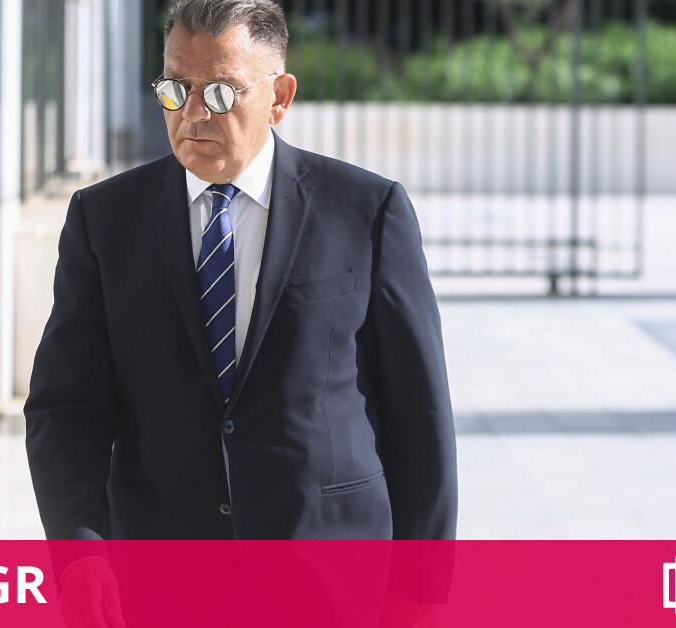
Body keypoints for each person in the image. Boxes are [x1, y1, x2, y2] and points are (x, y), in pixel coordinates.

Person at [26, 0, 456, 621]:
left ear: (279, 98)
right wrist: (80, 556)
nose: (193, 114)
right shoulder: (104, 221)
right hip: (158, 582)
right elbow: (66, 410)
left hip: (333, 580)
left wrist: (418, 593)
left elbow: (419, 413)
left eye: (221, 92)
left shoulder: (367, 212)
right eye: (176, 89)